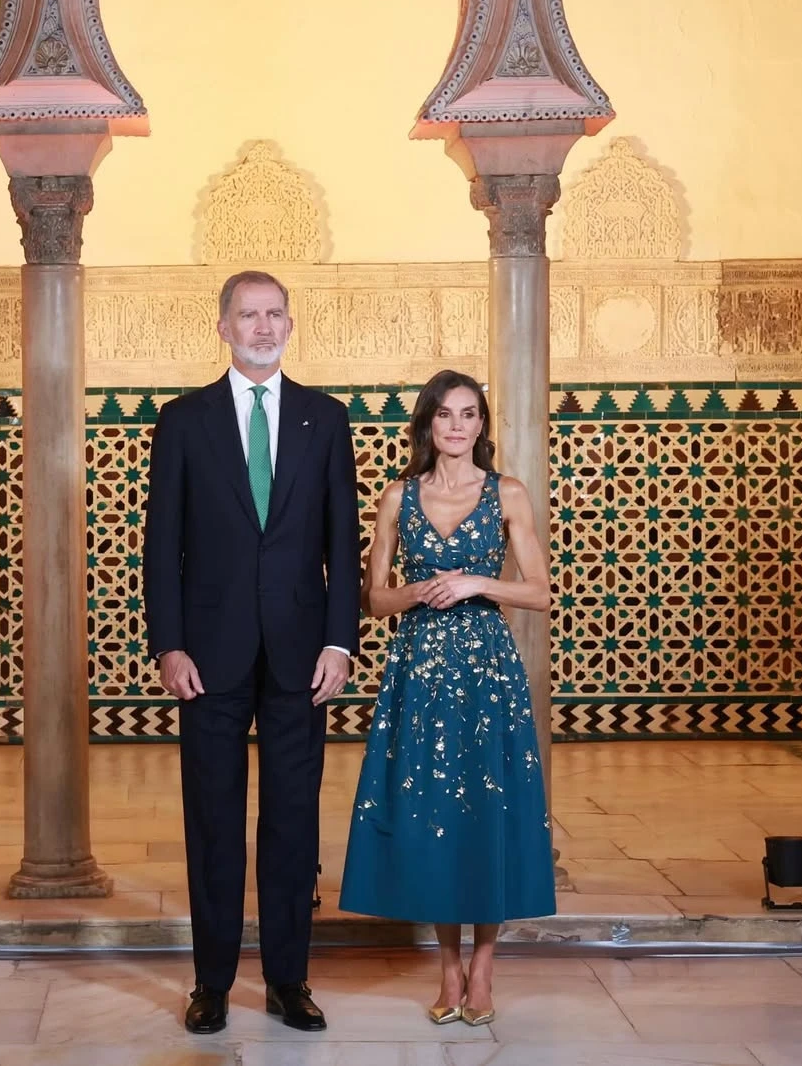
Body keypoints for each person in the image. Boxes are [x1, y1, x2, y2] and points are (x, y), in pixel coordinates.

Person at [143, 270, 361, 1035]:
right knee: (213, 819)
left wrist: (339, 640)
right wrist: (168, 645)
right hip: (208, 654)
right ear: (223, 327)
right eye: (248, 315)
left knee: (293, 820)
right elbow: (161, 545)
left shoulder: (325, 419)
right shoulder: (182, 421)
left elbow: (342, 542)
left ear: (290, 325)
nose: (263, 327)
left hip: (303, 655)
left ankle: (288, 981)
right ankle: (211, 982)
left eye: (274, 314)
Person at [339, 369, 556, 1025]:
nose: (457, 426)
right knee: (432, 813)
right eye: (445, 414)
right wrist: (416, 593)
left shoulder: (507, 492)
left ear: (482, 425)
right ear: (427, 424)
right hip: (419, 671)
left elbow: (540, 592)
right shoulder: (397, 496)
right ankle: (449, 968)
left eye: (469, 414)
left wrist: (475, 584)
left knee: (488, 813)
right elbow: (374, 599)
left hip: (488, 674)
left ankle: (484, 970)